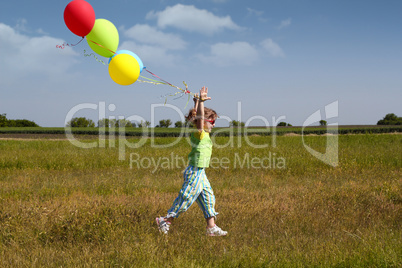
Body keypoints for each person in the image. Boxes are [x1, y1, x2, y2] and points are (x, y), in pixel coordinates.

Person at [156, 86, 227, 236]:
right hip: (195, 171)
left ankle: (211, 227)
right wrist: (200, 102)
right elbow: (199, 119)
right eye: (212, 121)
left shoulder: (204, 134)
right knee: (187, 197)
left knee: (208, 198)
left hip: (201, 171)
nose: (214, 124)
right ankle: (166, 219)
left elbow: (196, 117)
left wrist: (196, 103)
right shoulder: (199, 134)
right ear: (205, 121)